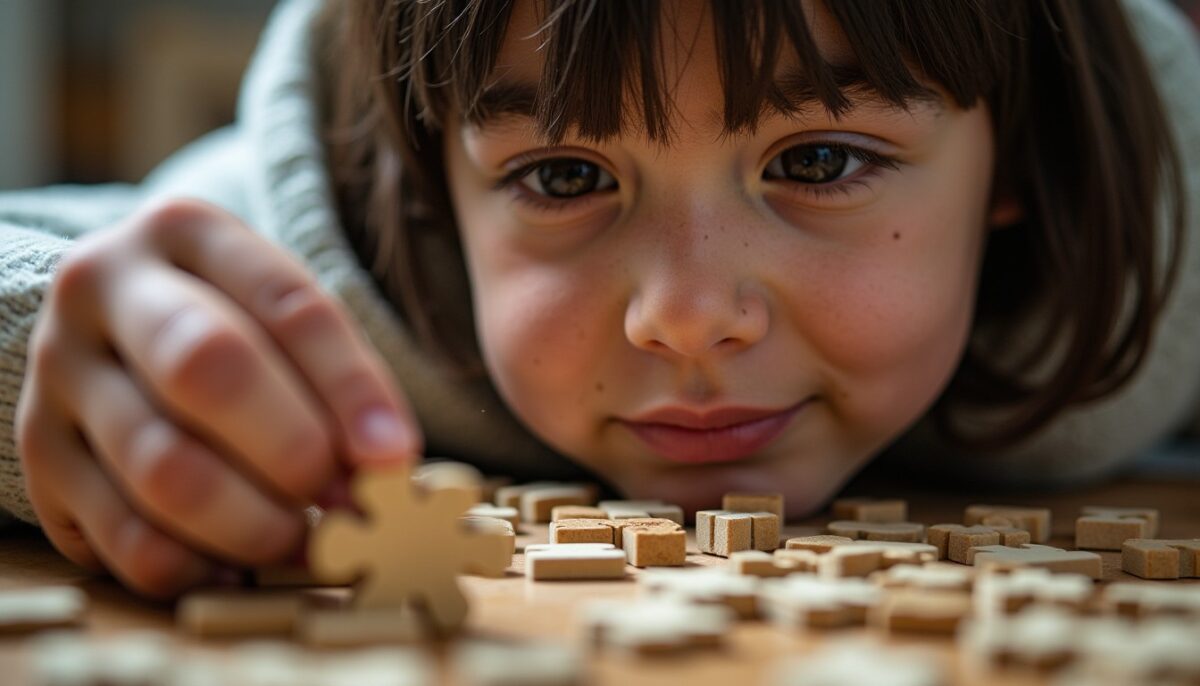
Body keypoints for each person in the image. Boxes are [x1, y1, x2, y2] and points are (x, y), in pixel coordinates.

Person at [0, 0, 1197, 598]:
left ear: (1021, 170)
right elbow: (72, 296)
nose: (682, 317)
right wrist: (40, 359)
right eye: (564, 176)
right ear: (430, 190)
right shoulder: (333, 238)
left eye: (819, 161)